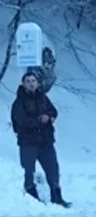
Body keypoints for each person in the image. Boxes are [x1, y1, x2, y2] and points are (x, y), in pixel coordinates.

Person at [11, 71, 69, 206]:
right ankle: (32, 200)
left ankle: (57, 197)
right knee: (28, 171)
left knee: (53, 169)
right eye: (28, 81)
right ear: (23, 84)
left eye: (33, 81)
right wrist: (40, 120)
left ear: (37, 83)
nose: (31, 84)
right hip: (28, 142)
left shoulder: (43, 98)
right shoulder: (19, 102)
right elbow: (22, 121)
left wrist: (50, 117)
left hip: (46, 141)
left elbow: (53, 110)